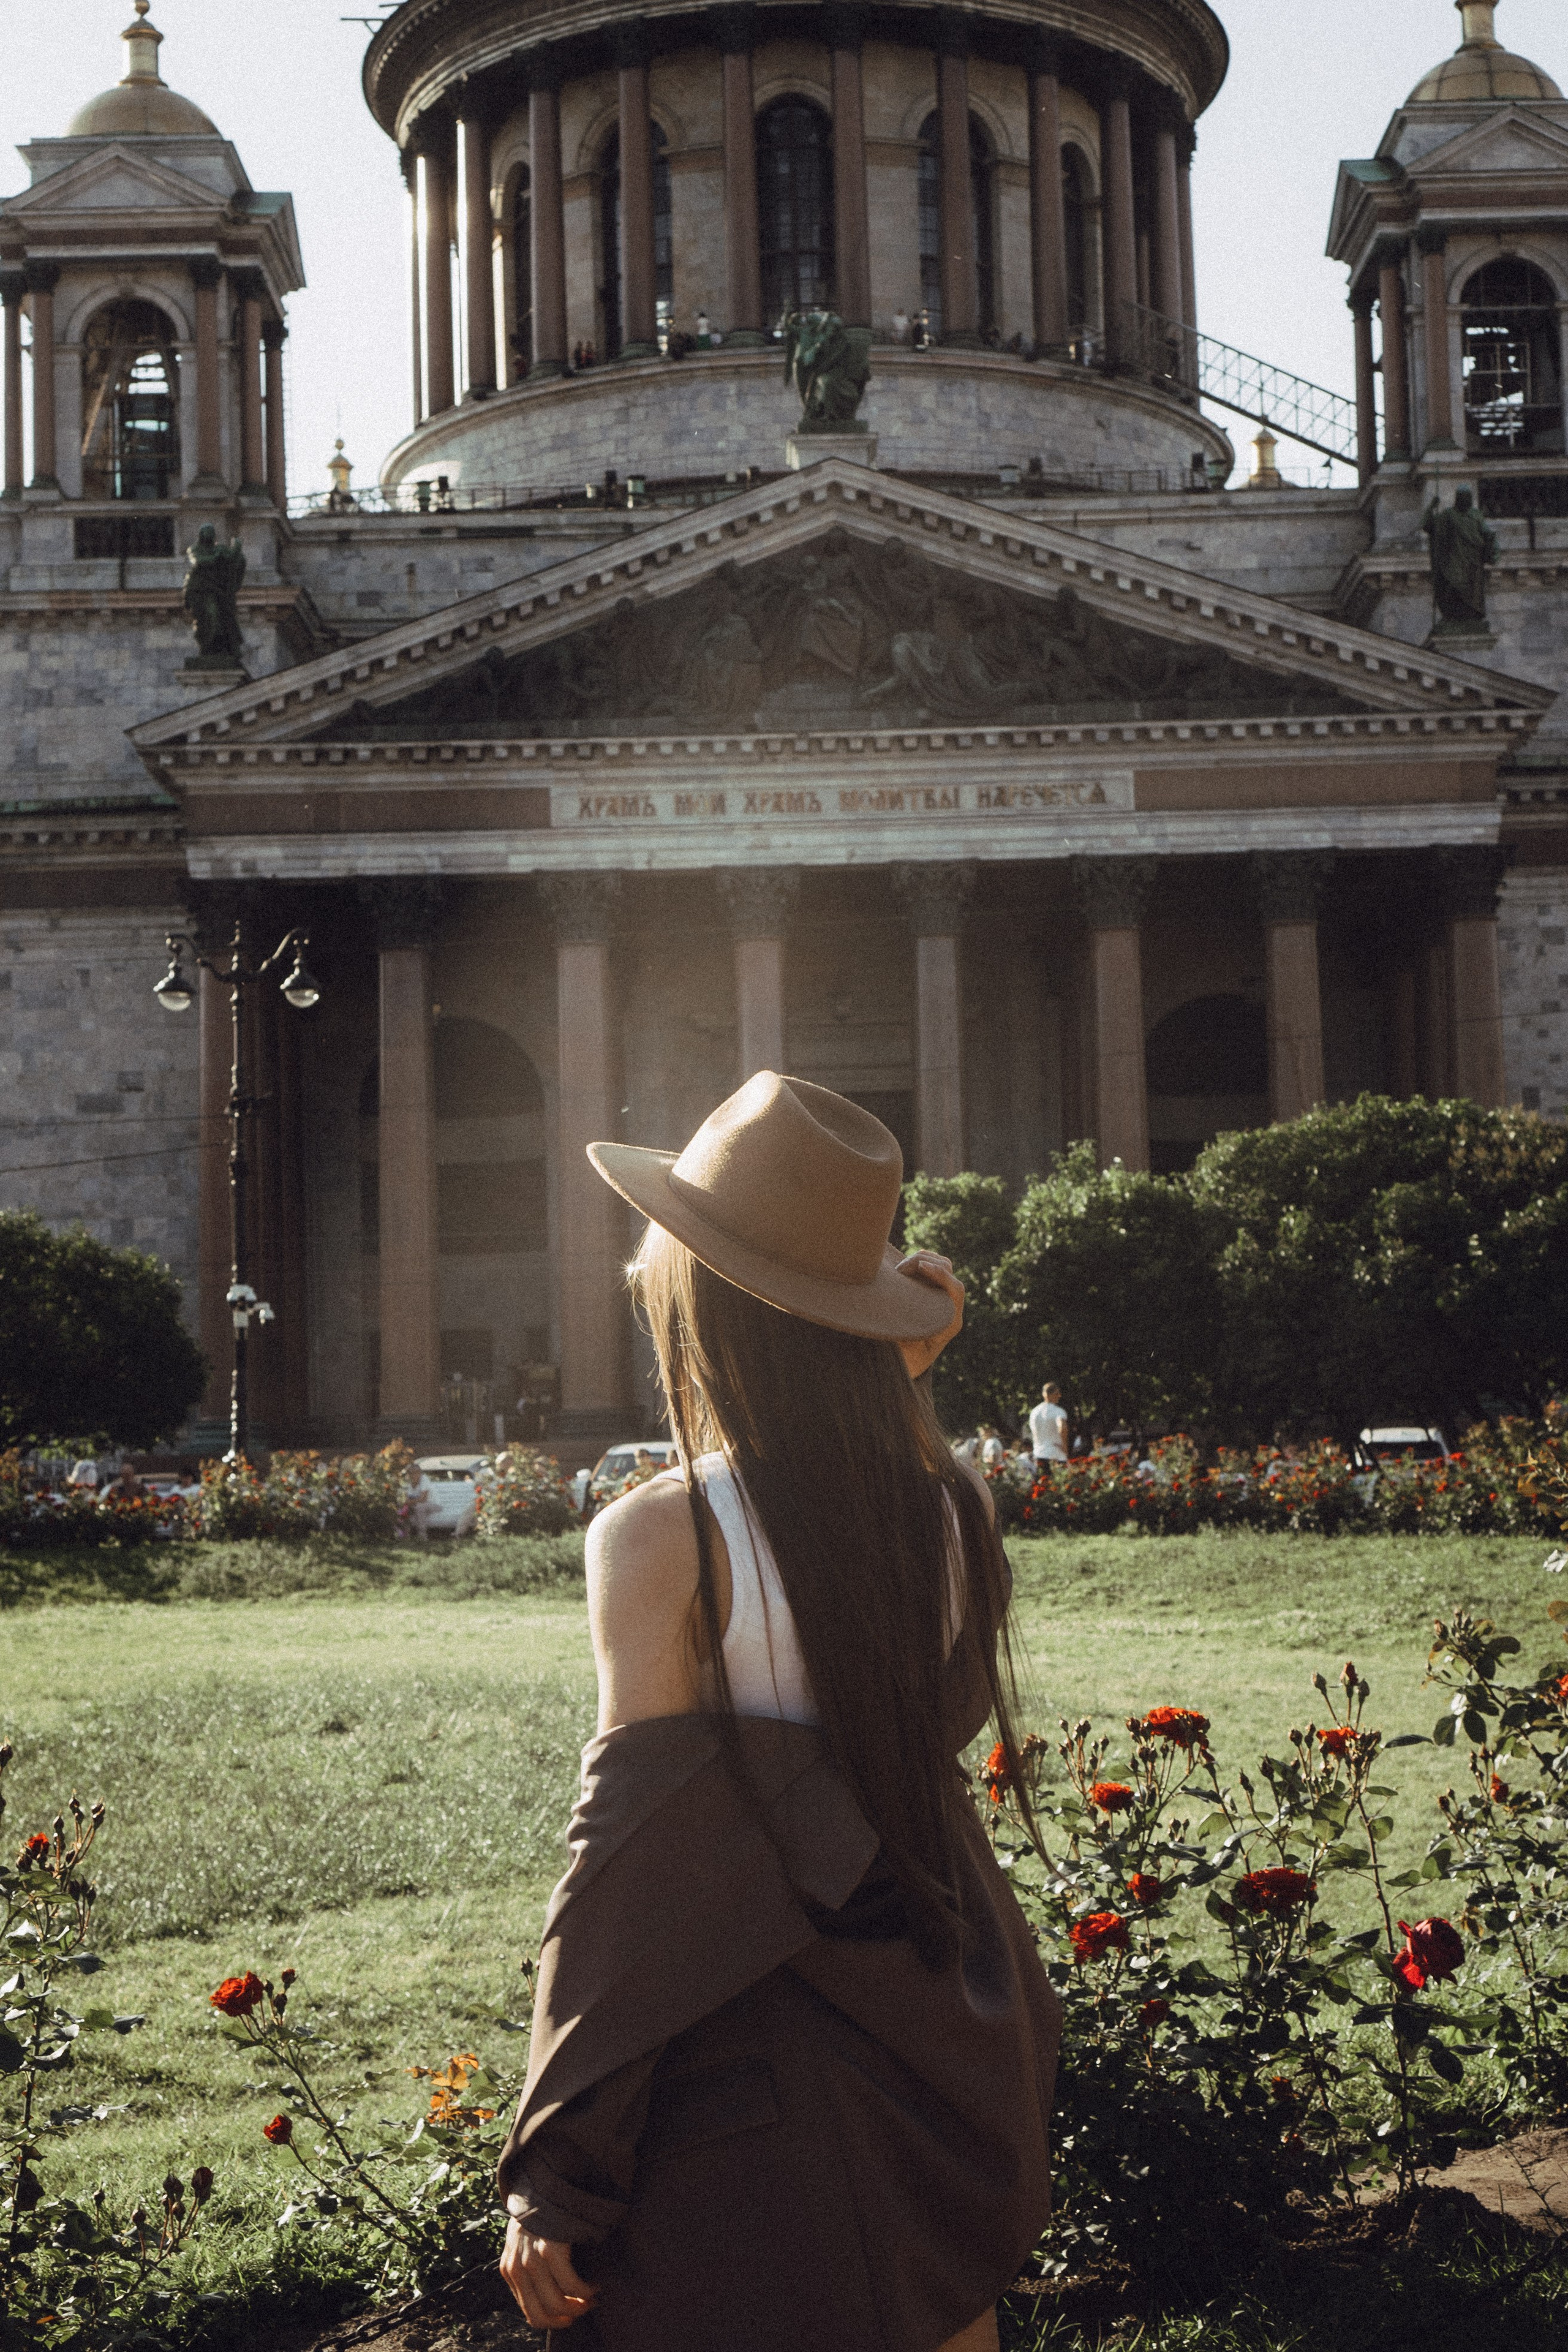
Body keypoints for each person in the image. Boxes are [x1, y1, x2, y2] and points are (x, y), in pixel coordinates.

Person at [497, 1071, 1060, 2351]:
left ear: (702, 1292)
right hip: (945, 2023)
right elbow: (891, 1728)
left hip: (752, 2069)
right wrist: (893, 1365)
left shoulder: (664, 1536)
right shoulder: (957, 1506)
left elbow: (636, 1863)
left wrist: (559, 2159)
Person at [1029, 1382, 1069, 1471]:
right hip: (1057, 1454)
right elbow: (1062, 1427)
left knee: (1043, 1479)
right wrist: (1065, 1446)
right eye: (1057, 1393)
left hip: (1039, 1454)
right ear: (1050, 1395)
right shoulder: (1058, 1411)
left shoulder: (1035, 1412)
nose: (1059, 1396)